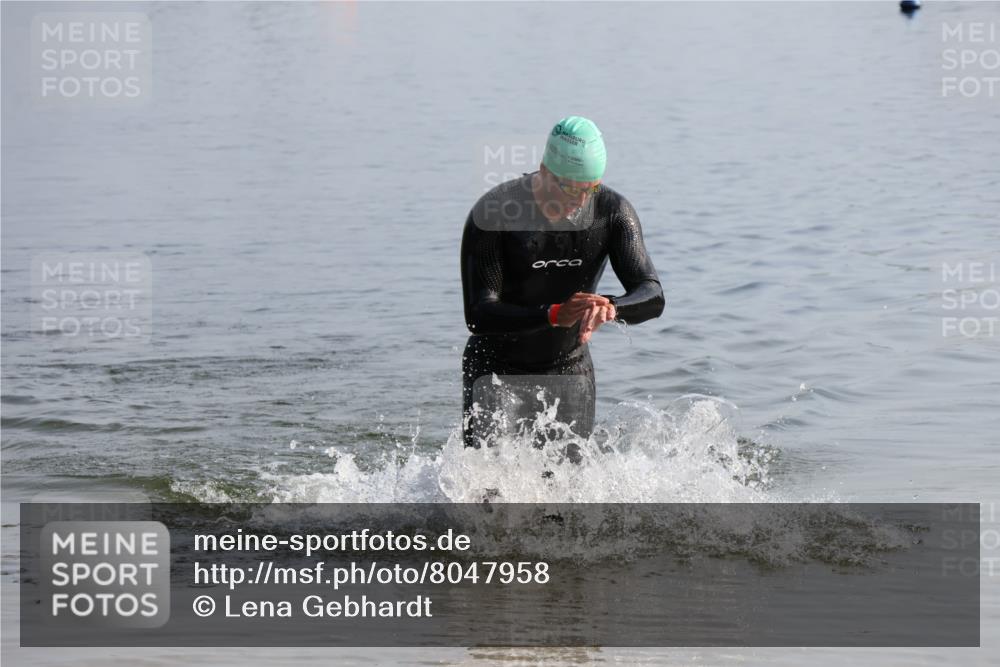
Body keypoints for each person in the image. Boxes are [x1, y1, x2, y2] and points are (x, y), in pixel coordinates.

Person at [460, 116, 664, 453]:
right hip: (495, 369)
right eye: (571, 188)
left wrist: (611, 307)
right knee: (488, 496)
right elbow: (479, 315)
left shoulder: (613, 212)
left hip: (569, 368)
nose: (581, 200)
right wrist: (553, 314)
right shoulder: (495, 213)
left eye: (591, 188)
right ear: (543, 171)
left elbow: (653, 294)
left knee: (565, 497)